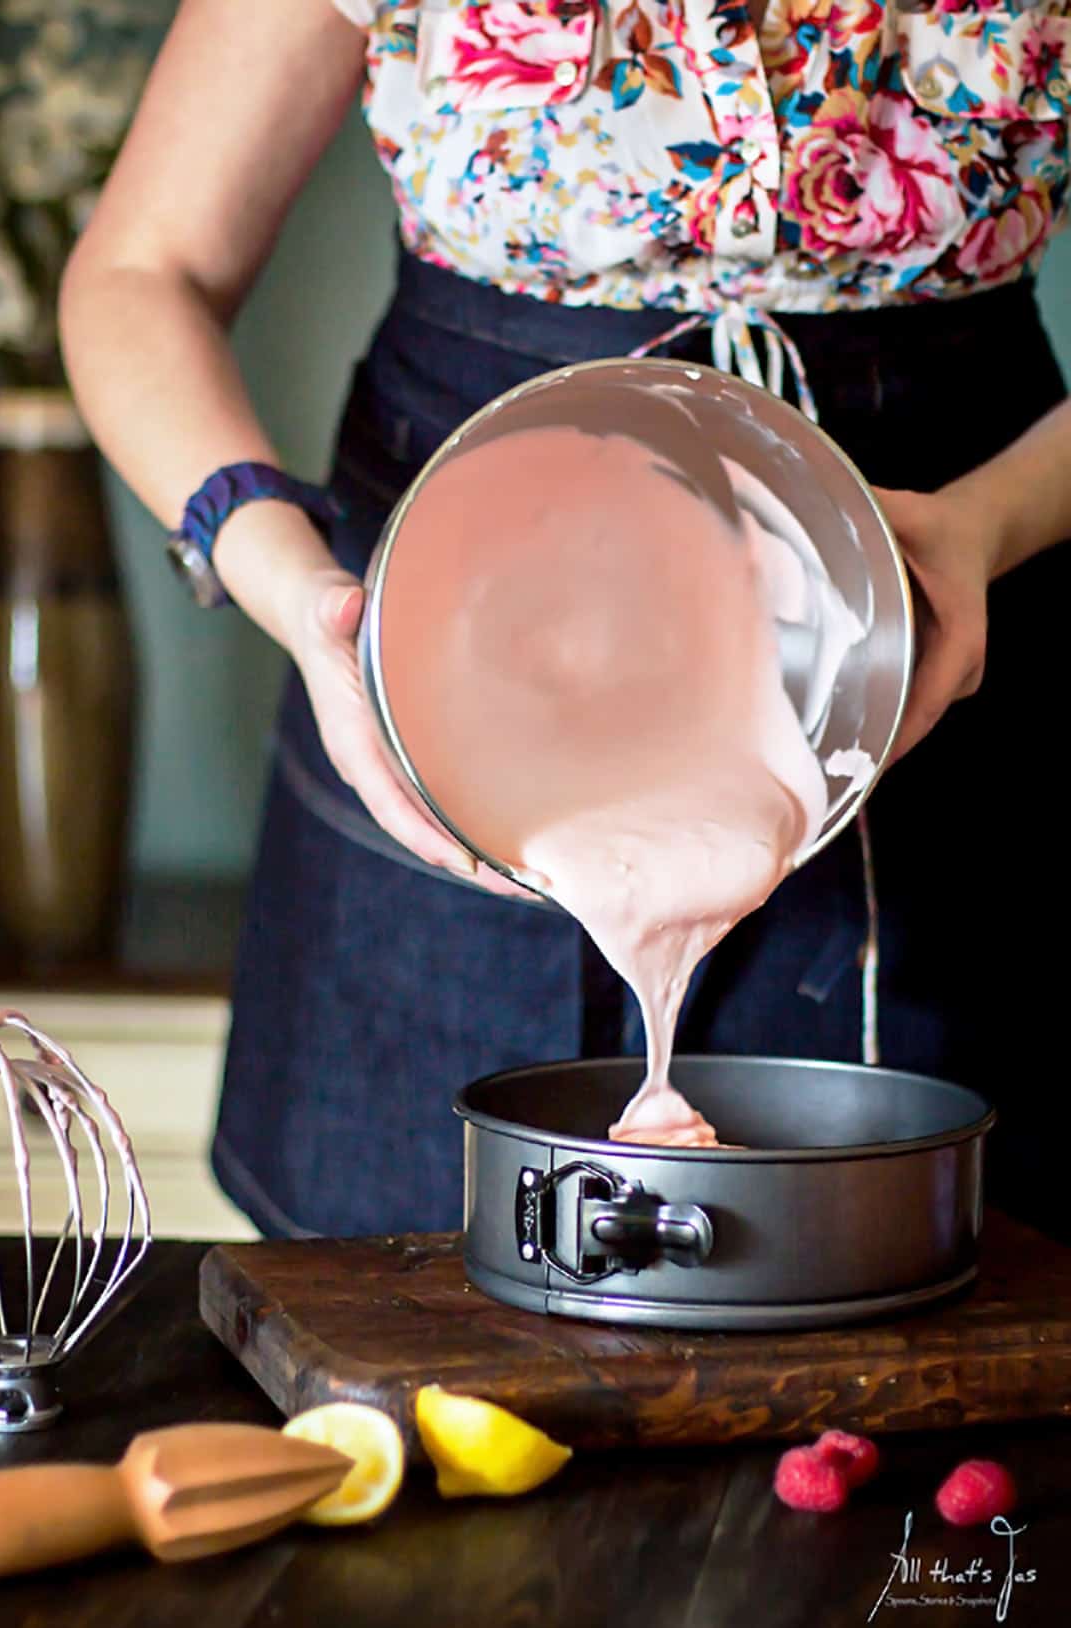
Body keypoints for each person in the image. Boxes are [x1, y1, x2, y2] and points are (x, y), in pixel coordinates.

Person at [60, 0, 1071, 1241]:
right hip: (454, 665)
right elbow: (139, 273)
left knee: (947, 1332)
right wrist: (291, 582)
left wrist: (991, 523)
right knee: (423, 1333)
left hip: (943, 640)